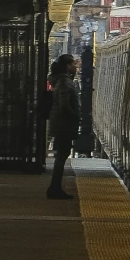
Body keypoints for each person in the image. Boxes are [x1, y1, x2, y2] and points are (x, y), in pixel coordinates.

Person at [45, 53, 80, 199]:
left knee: (61, 156)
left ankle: (55, 187)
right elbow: (64, 105)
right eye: (73, 64)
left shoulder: (61, 81)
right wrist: (75, 115)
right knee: (61, 156)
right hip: (64, 124)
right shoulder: (65, 82)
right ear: (67, 66)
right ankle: (54, 188)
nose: (75, 67)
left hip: (61, 123)